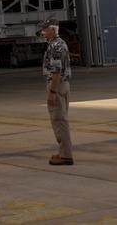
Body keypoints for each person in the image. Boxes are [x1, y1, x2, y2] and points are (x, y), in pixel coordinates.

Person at [40, 22, 73, 166]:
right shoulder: (61, 43)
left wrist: (52, 92)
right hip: (64, 85)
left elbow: (56, 71)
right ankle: (64, 152)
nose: (43, 32)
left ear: (53, 30)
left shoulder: (55, 46)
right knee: (62, 120)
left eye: (45, 30)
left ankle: (65, 155)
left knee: (59, 121)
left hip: (57, 85)